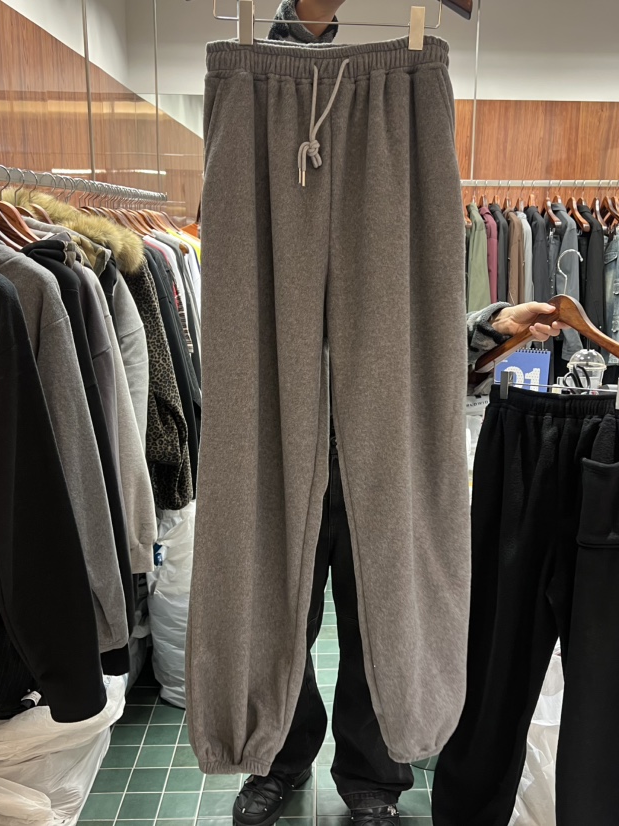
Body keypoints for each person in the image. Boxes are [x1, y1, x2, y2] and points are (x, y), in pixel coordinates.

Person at [229, 3, 563, 825]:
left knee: (384, 610)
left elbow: (415, 329)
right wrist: (299, 29)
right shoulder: (274, 177)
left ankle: (373, 776)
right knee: (278, 608)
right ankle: (278, 756)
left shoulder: (398, 183)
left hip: (383, 450)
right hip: (285, 439)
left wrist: (492, 325)